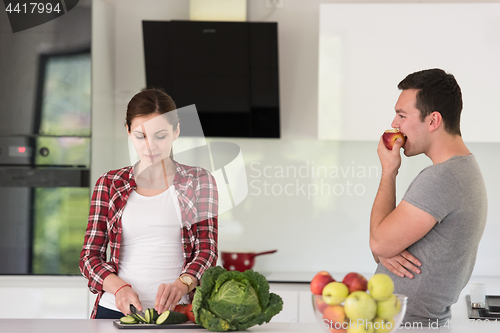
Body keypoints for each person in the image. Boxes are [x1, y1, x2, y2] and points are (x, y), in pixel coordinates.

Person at [79, 88, 218, 319]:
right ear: (128, 131)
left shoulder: (200, 181)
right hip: (115, 311)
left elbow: (207, 251)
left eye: (160, 136)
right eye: (140, 136)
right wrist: (119, 289)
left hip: (180, 312)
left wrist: (182, 285)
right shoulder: (109, 183)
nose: (150, 146)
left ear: (176, 131)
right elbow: (89, 257)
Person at [369, 68, 487, 326]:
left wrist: (389, 172)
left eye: (401, 115)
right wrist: (385, 245)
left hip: (408, 326)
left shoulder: (442, 178)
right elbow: (382, 246)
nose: (394, 124)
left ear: (433, 121)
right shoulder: (462, 169)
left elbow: (378, 243)